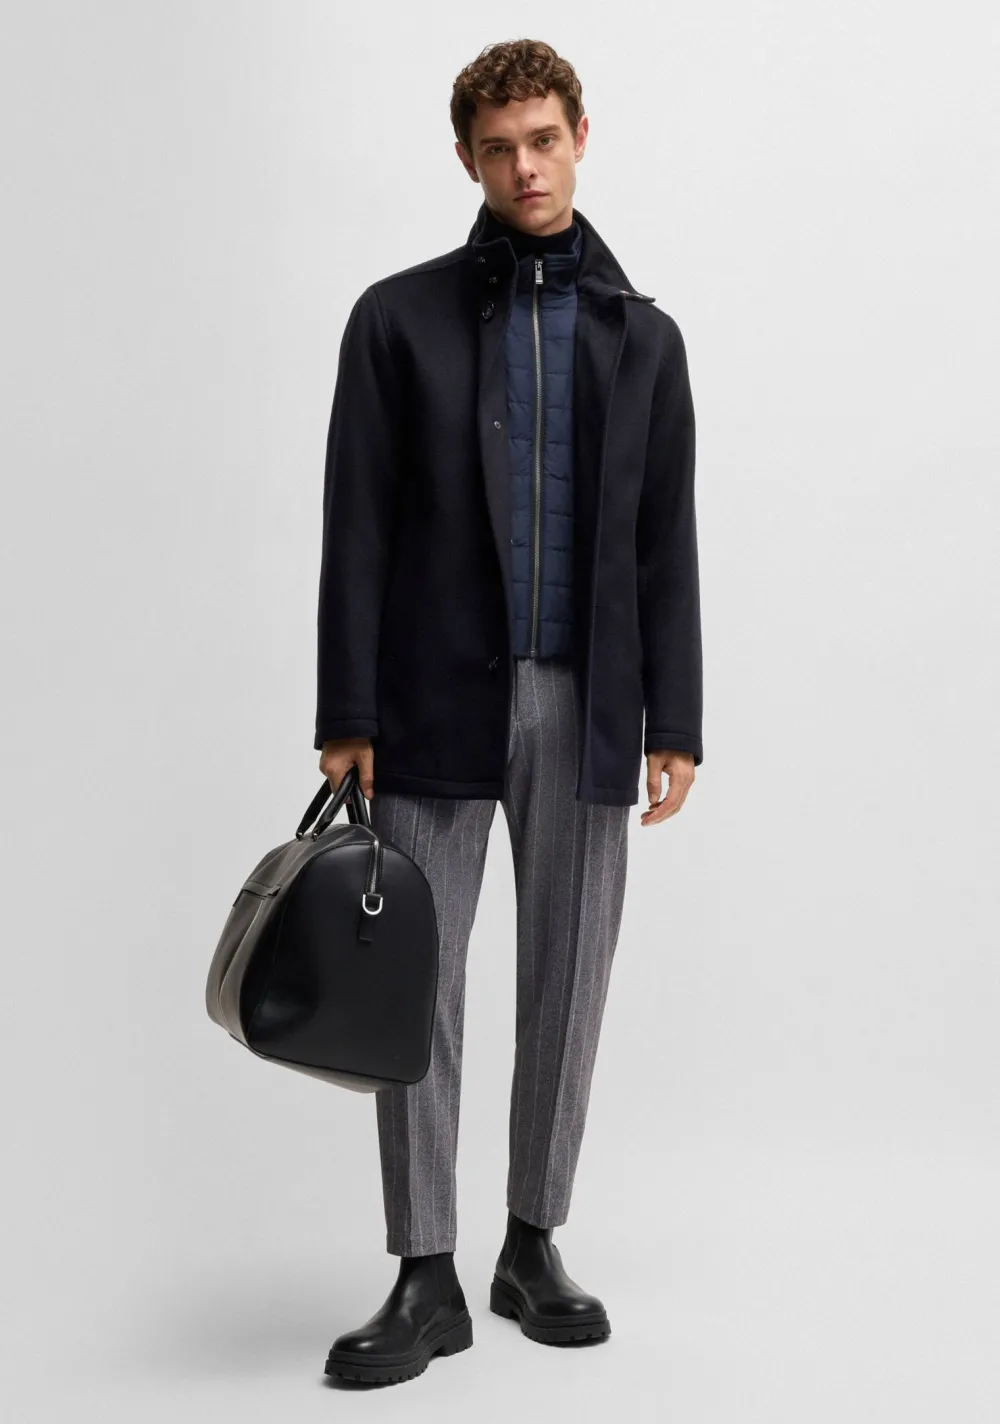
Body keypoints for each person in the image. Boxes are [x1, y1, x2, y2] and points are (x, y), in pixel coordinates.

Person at [315, 38, 702, 1385]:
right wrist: (348, 710)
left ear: (581, 135)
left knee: (569, 978)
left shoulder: (645, 340)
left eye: (543, 139)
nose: (525, 167)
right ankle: (424, 1271)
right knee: (413, 987)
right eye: (498, 148)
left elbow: (664, 540)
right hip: (430, 697)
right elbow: (356, 522)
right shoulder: (396, 320)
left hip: (591, 707)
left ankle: (532, 1243)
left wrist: (675, 718)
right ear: (467, 159)